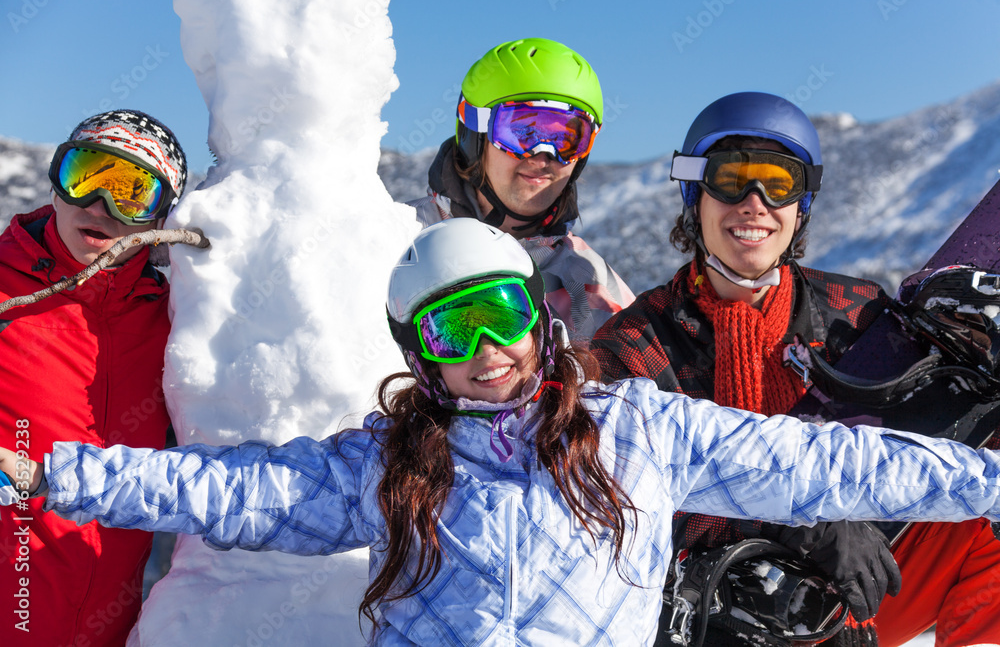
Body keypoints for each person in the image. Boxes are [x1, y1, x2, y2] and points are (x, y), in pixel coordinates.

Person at [5, 217, 1000, 646]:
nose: (485, 349)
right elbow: (230, 490)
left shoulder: (639, 432)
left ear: (541, 316)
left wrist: (986, 482)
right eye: (451, 327)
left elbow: (830, 461)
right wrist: (48, 475)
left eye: (502, 314)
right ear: (419, 352)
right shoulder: (388, 466)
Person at [590, 91, 1000, 646]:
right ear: (695, 193)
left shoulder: (854, 313)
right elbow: (625, 509)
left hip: (872, 584)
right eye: (731, 179)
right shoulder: (637, 345)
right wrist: (799, 517)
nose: (754, 203)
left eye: (777, 182)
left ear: (801, 202)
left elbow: (918, 436)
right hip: (725, 605)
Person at [0, 109, 187, 645]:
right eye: (85, 177)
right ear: (57, 183)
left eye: (133, 193)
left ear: (159, 219)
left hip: (112, 627)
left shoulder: (173, 319)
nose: (100, 208)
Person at [403, 37, 634, 341]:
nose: (544, 155)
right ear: (475, 134)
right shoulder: (398, 238)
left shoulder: (592, 287)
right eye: (522, 132)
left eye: (566, 139)